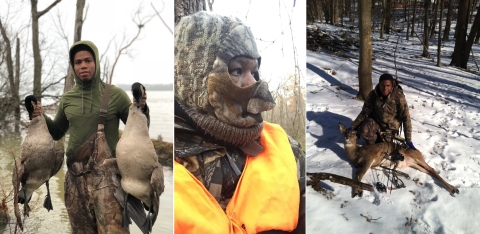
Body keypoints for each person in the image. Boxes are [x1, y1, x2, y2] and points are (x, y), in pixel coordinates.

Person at [174, 11, 305, 233]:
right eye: (237, 70)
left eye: (254, 71)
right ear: (195, 78)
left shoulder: (285, 148)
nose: (253, 81)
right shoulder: (172, 158)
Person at [31, 40, 149, 233]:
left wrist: (142, 109)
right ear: (73, 66)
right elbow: (57, 132)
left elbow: (139, 132)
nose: (83, 65)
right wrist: (41, 116)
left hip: (109, 180)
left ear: (96, 62)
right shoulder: (68, 99)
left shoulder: (115, 95)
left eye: (87, 60)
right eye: (78, 62)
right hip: (75, 179)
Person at [350, 73, 416, 150]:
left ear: (392, 85)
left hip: (390, 128)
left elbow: (406, 118)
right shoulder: (373, 95)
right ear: (379, 84)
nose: (385, 88)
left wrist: (408, 140)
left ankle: (382, 140)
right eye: (383, 85)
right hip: (376, 123)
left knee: (386, 147)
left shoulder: (399, 97)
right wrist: (353, 126)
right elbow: (365, 112)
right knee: (364, 130)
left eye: (388, 86)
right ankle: (373, 145)